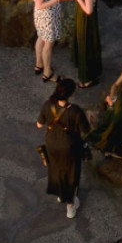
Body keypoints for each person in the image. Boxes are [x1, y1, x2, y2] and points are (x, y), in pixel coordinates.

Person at [36, 78, 90, 219]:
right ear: (70, 94)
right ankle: (70, 206)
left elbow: (39, 125)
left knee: (57, 169)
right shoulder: (75, 111)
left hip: (52, 145)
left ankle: (61, 195)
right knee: (71, 174)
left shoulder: (48, 105)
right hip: (70, 147)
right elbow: (86, 130)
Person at [32, 0, 71, 82]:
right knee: (48, 45)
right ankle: (47, 73)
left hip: (50, 13)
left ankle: (39, 65)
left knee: (41, 38)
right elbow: (39, 4)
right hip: (47, 16)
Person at [71, 0, 106, 89]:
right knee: (91, 43)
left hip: (85, 19)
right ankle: (94, 72)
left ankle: (86, 80)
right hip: (92, 19)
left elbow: (88, 10)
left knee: (84, 44)